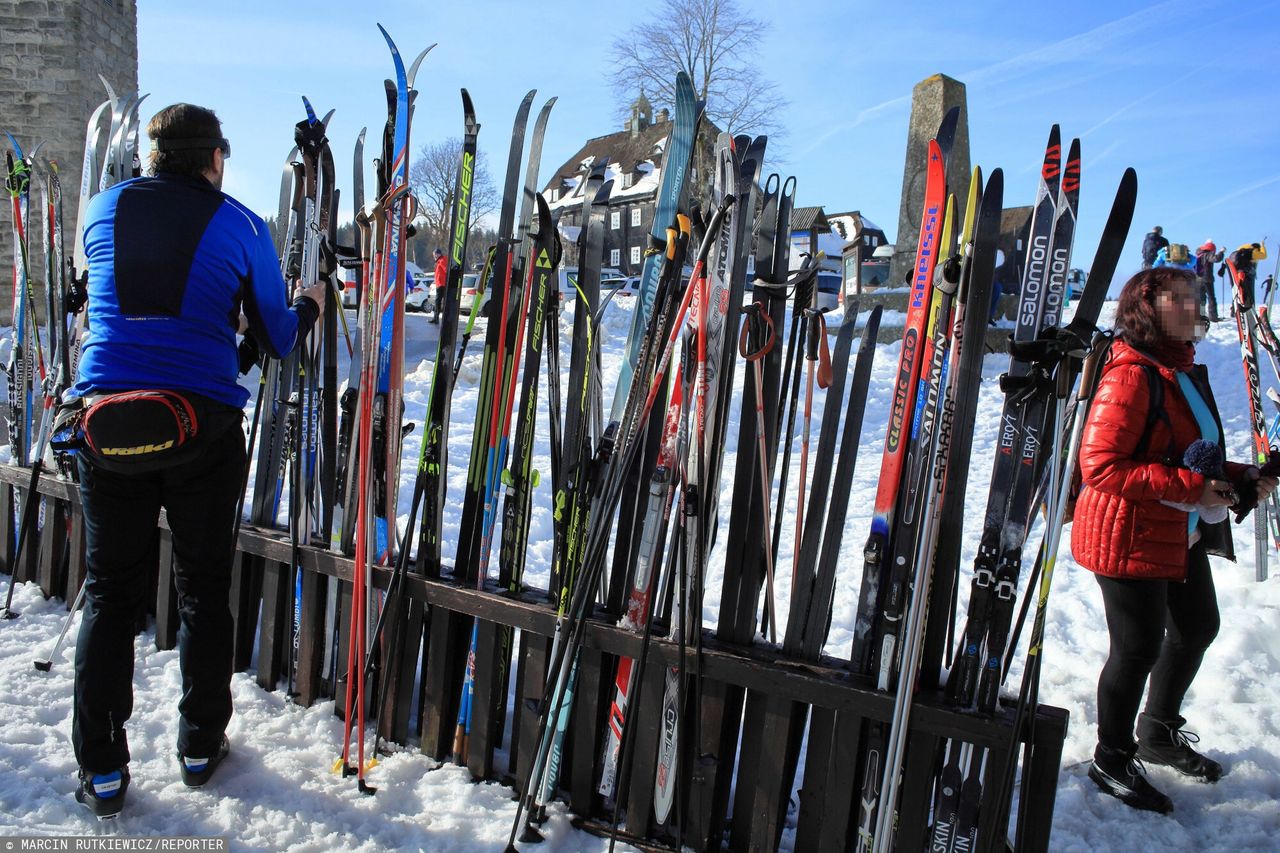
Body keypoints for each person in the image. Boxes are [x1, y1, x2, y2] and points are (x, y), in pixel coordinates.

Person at [68, 103, 325, 819]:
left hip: (105, 423)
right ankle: (198, 743)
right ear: (213, 159)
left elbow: (109, 305)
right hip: (201, 428)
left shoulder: (101, 209)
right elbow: (275, 338)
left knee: (109, 594)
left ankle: (102, 767)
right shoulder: (240, 222)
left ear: (153, 158)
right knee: (203, 587)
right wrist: (310, 303)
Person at [1071, 266, 1277, 814]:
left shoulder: (1176, 369)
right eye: (1178, 298)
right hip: (1127, 533)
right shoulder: (1131, 374)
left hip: (1173, 530)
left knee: (1197, 627)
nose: (1192, 306)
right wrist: (1194, 488)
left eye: (1194, 296)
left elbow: (1187, 453)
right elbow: (1101, 466)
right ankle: (1111, 758)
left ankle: (1156, 733)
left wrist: (1238, 477)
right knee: (1135, 648)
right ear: (1146, 307)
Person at [1195, 241, 1224, 322]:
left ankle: (1201, 316)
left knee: (1201, 298)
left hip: (1198, 279)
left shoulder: (1198, 255)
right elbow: (1216, 259)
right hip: (1207, 279)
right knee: (1211, 298)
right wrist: (1221, 252)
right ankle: (1213, 317)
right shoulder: (1208, 254)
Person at [431, 247, 448, 323]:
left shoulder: (442, 260)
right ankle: (436, 318)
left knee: (438, 301)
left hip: (441, 284)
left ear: (439, 254)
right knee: (438, 301)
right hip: (440, 284)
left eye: (435, 254)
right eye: (434, 255)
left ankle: (436, 318)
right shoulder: (439, 261)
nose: (434, 256)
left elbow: (446, 270)